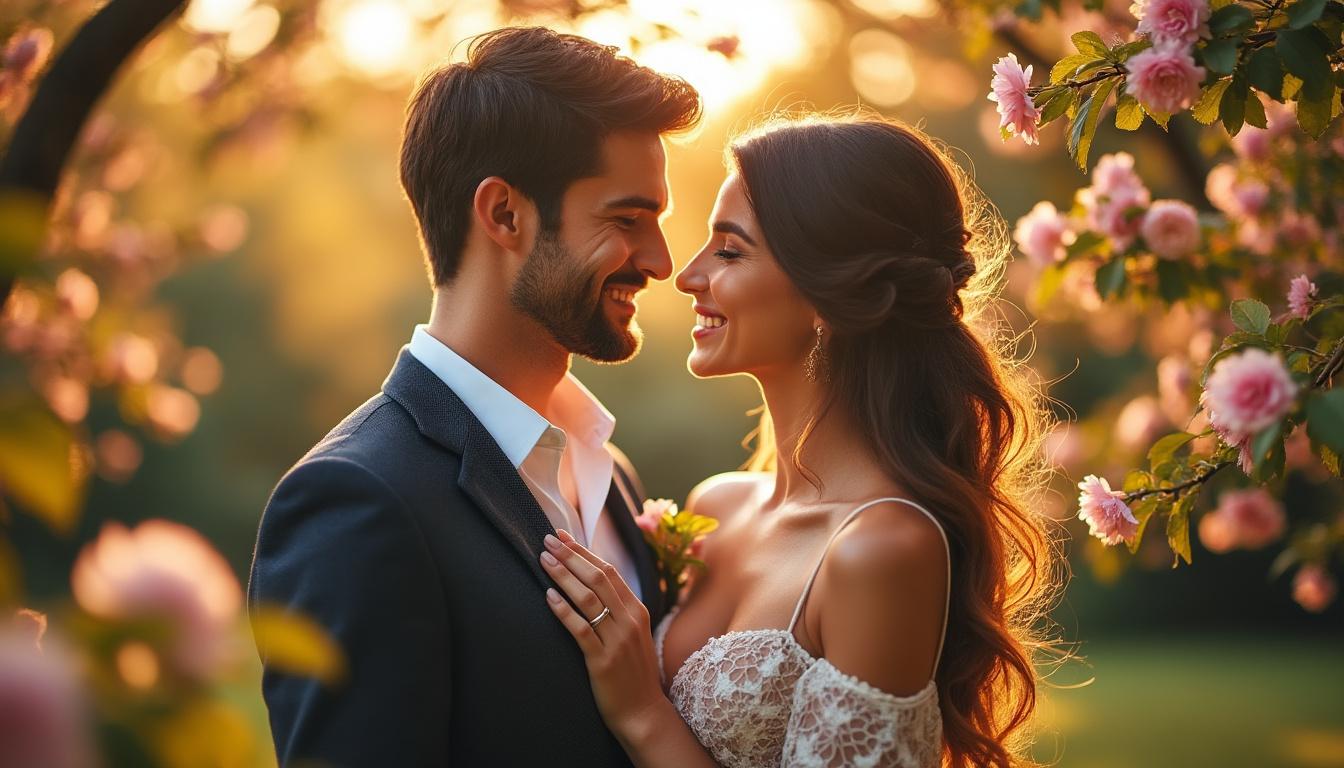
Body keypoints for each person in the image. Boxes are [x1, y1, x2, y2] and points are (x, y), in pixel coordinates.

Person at [540, 114, 1062, 768]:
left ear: (830, 293)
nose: (687, 275)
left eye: (729, 251)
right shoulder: (719, 506)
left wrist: (644, 712)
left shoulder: (882, 549)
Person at [247, 27, 700, 766]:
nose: (659, 261)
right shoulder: (356, 500)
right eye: (627, 219)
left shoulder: (609, 472)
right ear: (504, 215)